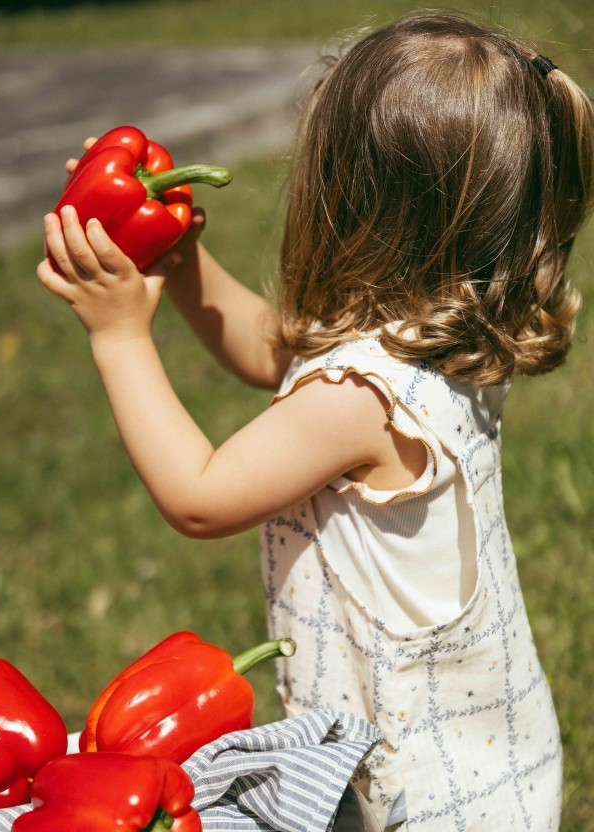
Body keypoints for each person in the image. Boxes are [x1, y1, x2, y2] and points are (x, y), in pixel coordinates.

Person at [38, 13, 594, 831]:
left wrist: (119, 335)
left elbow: (200, 497)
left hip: (426, 797)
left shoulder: (359, 399)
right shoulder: (450, 337)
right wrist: (183, 261)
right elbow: (284, 357)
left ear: (358, 200)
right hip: (486, 754)